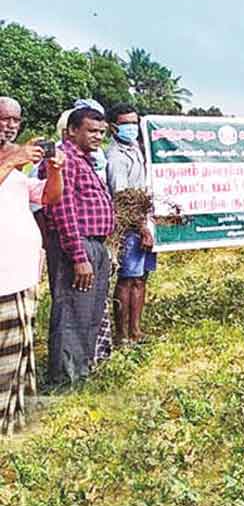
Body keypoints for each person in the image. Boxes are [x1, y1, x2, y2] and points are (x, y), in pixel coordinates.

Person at [40, 107, 115, 387]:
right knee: (72, 313)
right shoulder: (65, 159)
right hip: (77, 245)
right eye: (91, 131)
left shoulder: (84, 159)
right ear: (72, 130)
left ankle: (80, 372)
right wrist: (78, 256)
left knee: (89, 313)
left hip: (94, 244)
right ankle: (65, 380)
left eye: (101, 132)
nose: (97, 137)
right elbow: (62, 209)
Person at [0, 134, 64, 432]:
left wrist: (54, 171)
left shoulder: (16, 172)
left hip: (20, 273)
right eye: (2, 119)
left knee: (17, 352)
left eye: (14, 120)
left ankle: (11, 419)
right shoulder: (11, 162)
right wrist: (14, 158)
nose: (8, 127)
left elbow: (49, 197)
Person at [105, 103, 155, 344]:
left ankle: (136, 331)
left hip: (144, 224)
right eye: (126, 124)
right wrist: (142, 228)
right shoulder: (115, 157)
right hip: (129, 228)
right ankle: (122, 335)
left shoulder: (135, 147)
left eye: (134, 122)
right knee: (127, 280)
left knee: (141, 278)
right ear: (114, 127)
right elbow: (122, 200)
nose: (131, 128)